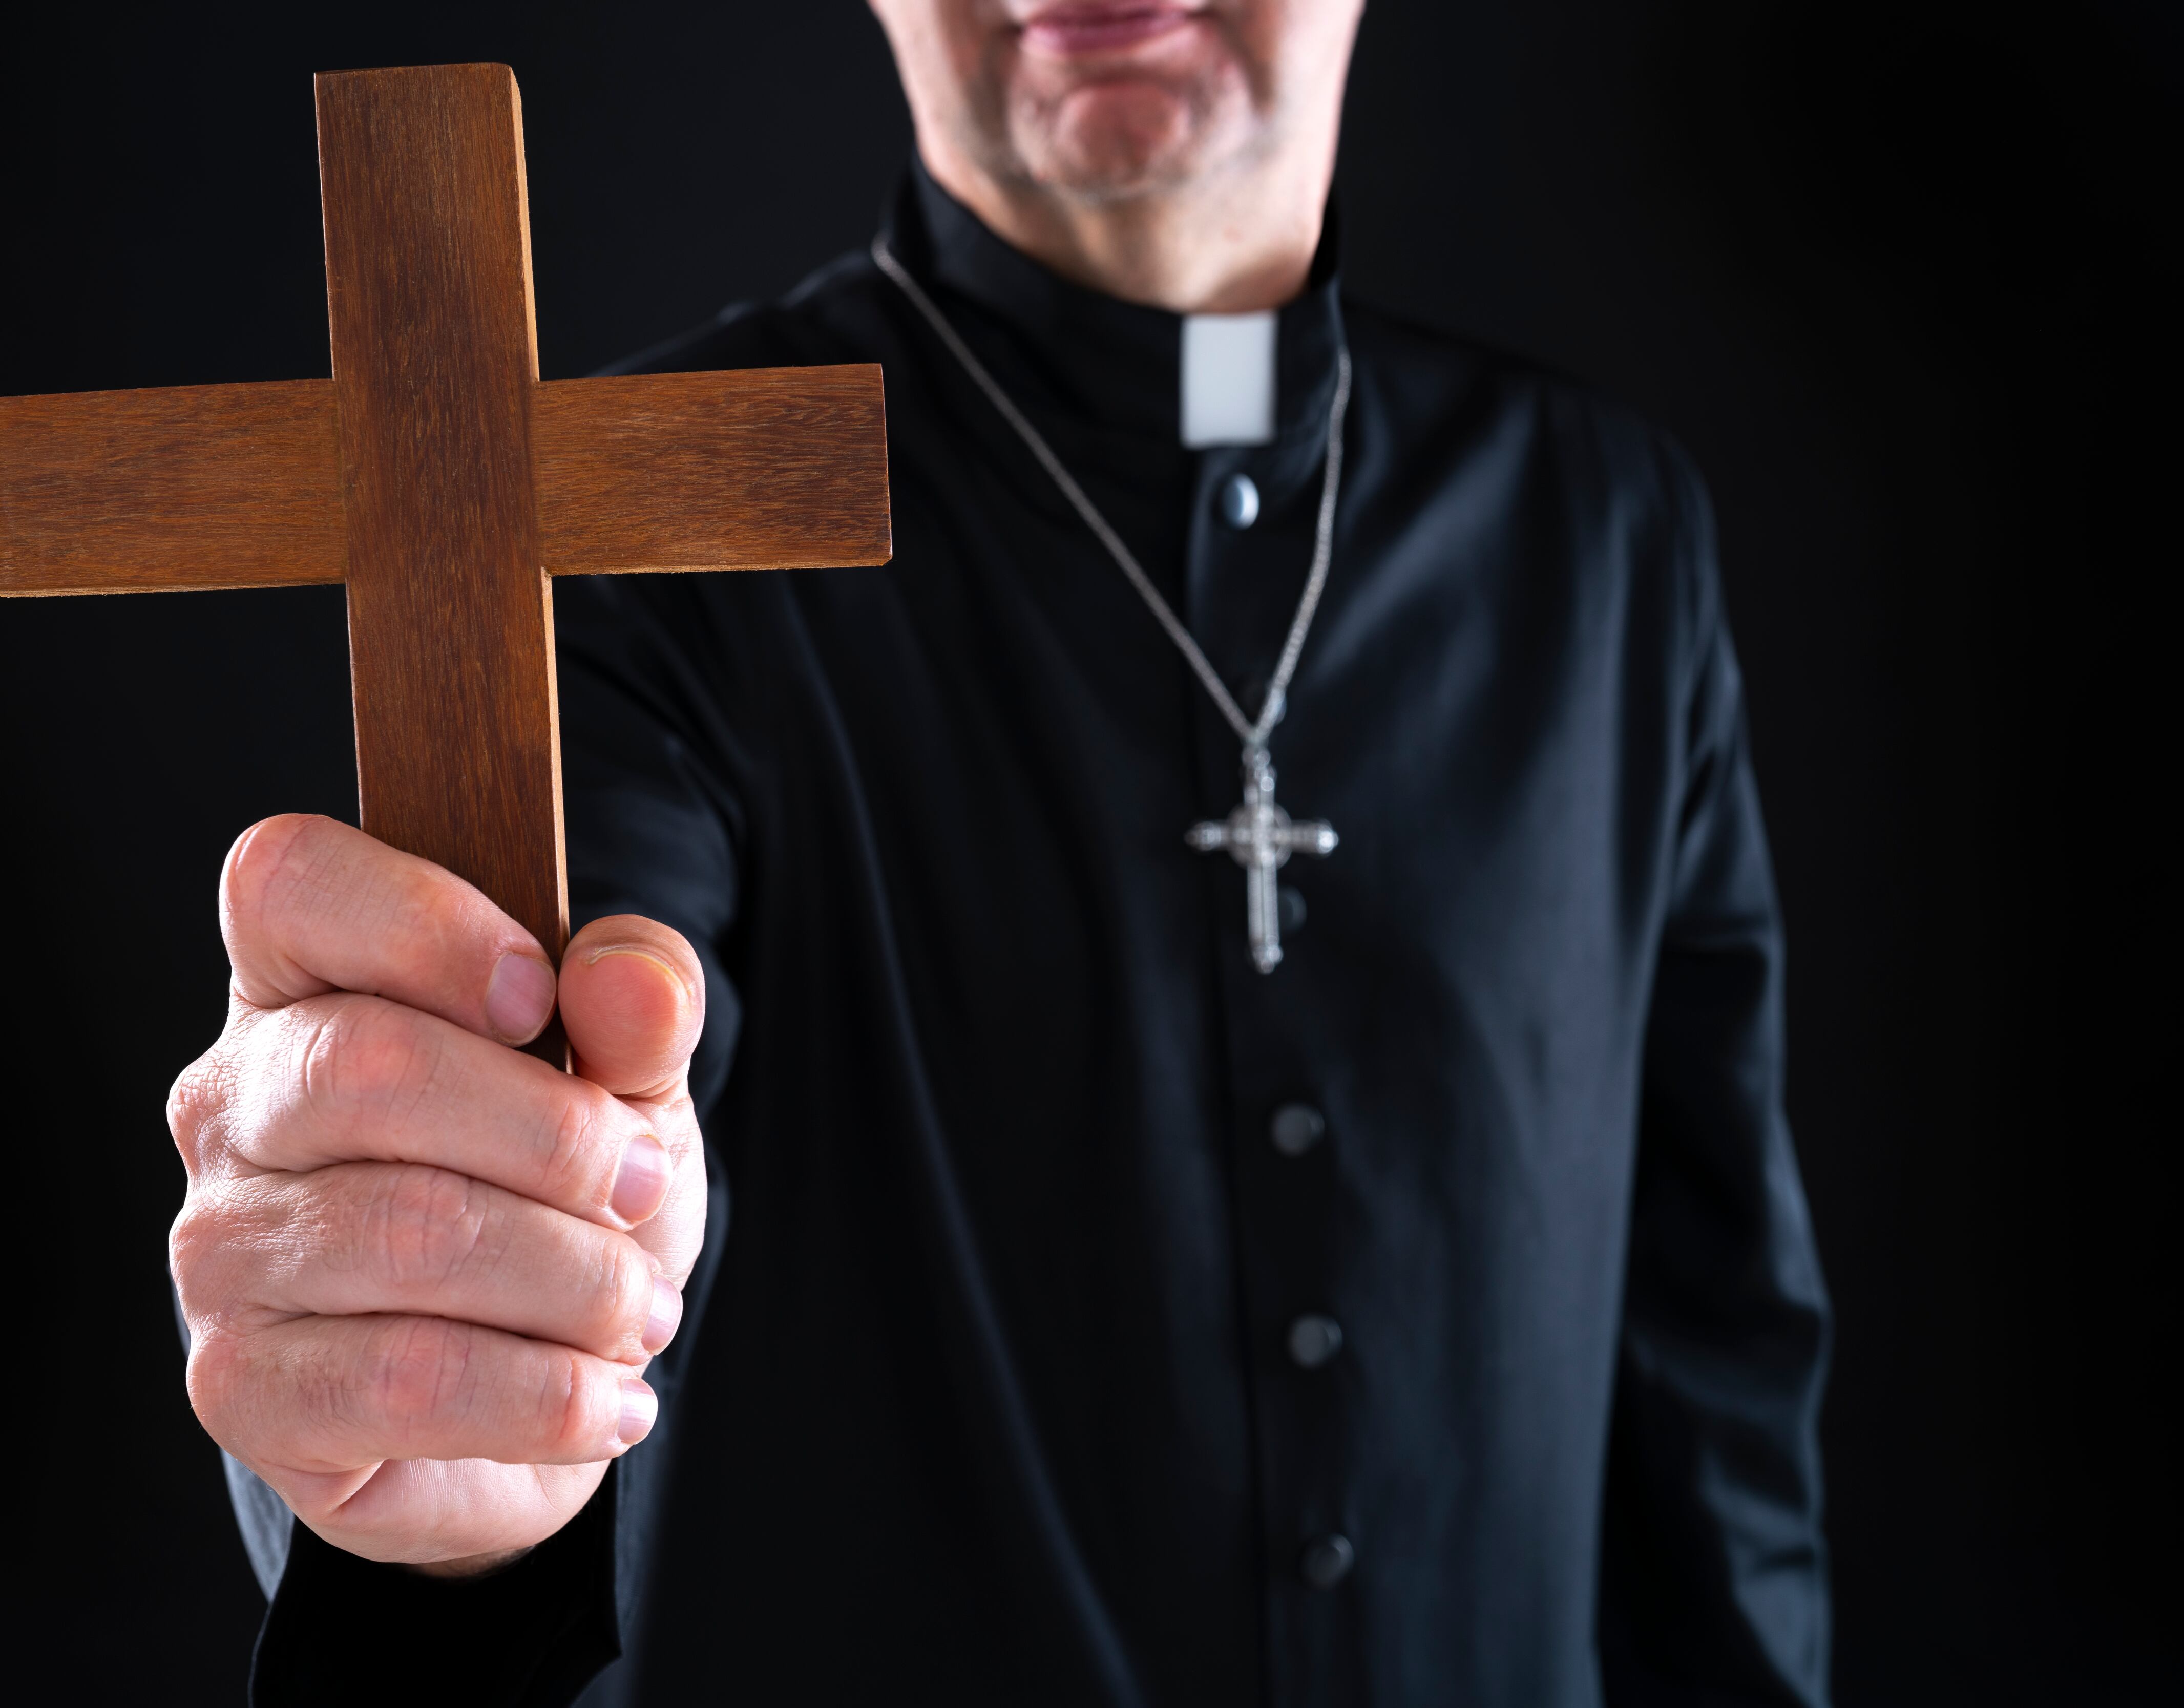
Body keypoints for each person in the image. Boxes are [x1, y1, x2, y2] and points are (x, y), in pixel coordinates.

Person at [166, 2, 1833, 1702]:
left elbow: (1713, 1377)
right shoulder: (628, 533)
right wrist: (432, 1368)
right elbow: (534, 1085)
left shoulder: (1609, 530)